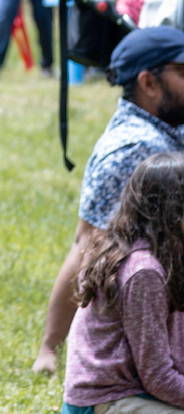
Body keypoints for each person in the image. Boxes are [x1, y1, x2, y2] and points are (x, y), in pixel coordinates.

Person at [32, 25, 184, 375]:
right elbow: (87, 242)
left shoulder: (167, 124)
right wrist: (50, 350)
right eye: (182, 72)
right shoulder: (133, 150)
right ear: (148, 83)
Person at [63, 154, 184, 414]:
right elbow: (158, 376)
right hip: (107, 406)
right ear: (174, 212)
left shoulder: (164, 258)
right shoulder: (143, 271)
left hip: (134, 396)